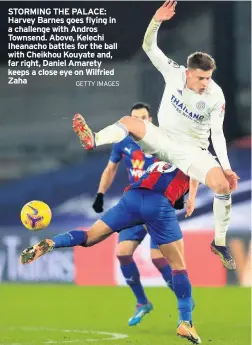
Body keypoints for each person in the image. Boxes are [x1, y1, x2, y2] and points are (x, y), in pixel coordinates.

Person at [72, 0, 239, 270]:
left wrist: (227, 168)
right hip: (163, 138)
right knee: (130, 121)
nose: (205, 84)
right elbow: (149, 46)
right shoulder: (173, 73)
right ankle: (94, 139)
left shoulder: (215, 96)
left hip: (192, 151)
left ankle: (219, 242)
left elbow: (217, 134)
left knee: (222, 186)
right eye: (201, 79)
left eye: (209, 78)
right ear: (187, 73)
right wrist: (156, 21)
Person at [20, 161, 201, 344]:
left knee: (89, 236)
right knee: (178, 266)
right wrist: (192, 197)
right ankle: (185, 321)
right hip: (158, 204)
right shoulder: (194, 159)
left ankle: (52, 242)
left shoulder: (160, 160)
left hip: (132, 198)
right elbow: (195, 178)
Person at [93, 102, 183, 326]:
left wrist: (180, 194)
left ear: (150, 120)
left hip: (157, 205)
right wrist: (100, 194)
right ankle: (142, 303)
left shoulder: (162, 141)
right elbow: (111, 168)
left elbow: (181, 165)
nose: (139, 121)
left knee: (158, 258)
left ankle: (183, 298)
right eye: (135, 117)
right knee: (123, 253)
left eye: (143, 117)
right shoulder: (123, 142)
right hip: (134, 205)